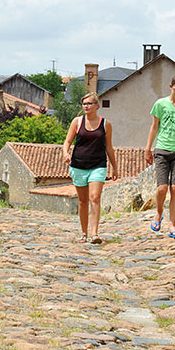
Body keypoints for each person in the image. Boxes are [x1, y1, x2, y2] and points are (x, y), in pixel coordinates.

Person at [144, 72, 175, 239]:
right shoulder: (160, 104)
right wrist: (148, 148)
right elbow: (154, 127)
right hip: (162, 149)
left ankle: (173, 225)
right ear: (170, 87)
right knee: (162, 188)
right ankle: (159, 213)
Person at [62, 92, 118, 244]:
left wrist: (115, 167)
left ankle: (95, 234)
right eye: (84, 104)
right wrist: (66, 153)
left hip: (98, 165)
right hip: (78, 165)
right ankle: (84, 233)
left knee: (95, 197)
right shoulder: (77, 122)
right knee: (83, 201)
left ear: (97, 106)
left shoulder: (105, 124)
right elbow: (67, 142)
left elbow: (109, 147)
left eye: (89, 103)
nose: (86, 106)